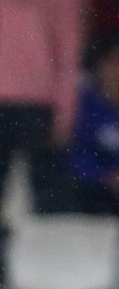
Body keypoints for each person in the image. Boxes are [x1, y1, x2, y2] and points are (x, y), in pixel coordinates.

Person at [0, 0, 84, 285]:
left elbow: (67, 52)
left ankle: (48, 270)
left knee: (47, 195)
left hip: (38, 102)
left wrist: (65, 114)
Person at [67, 36, 119, 217]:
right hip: (92, 190)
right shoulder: (84, 102)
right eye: (113, 62)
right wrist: (103, 175)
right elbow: (75, 151)